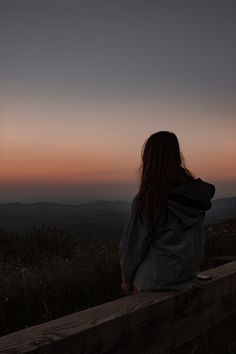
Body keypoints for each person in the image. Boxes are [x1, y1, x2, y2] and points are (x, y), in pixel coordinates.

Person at [119, 131, 215, 296]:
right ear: (177, 156)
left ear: (149, 160)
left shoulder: (149, 199)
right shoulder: (195, 195)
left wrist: (126, 280)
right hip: (187, 278)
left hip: (154, 281)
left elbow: (133, 245)